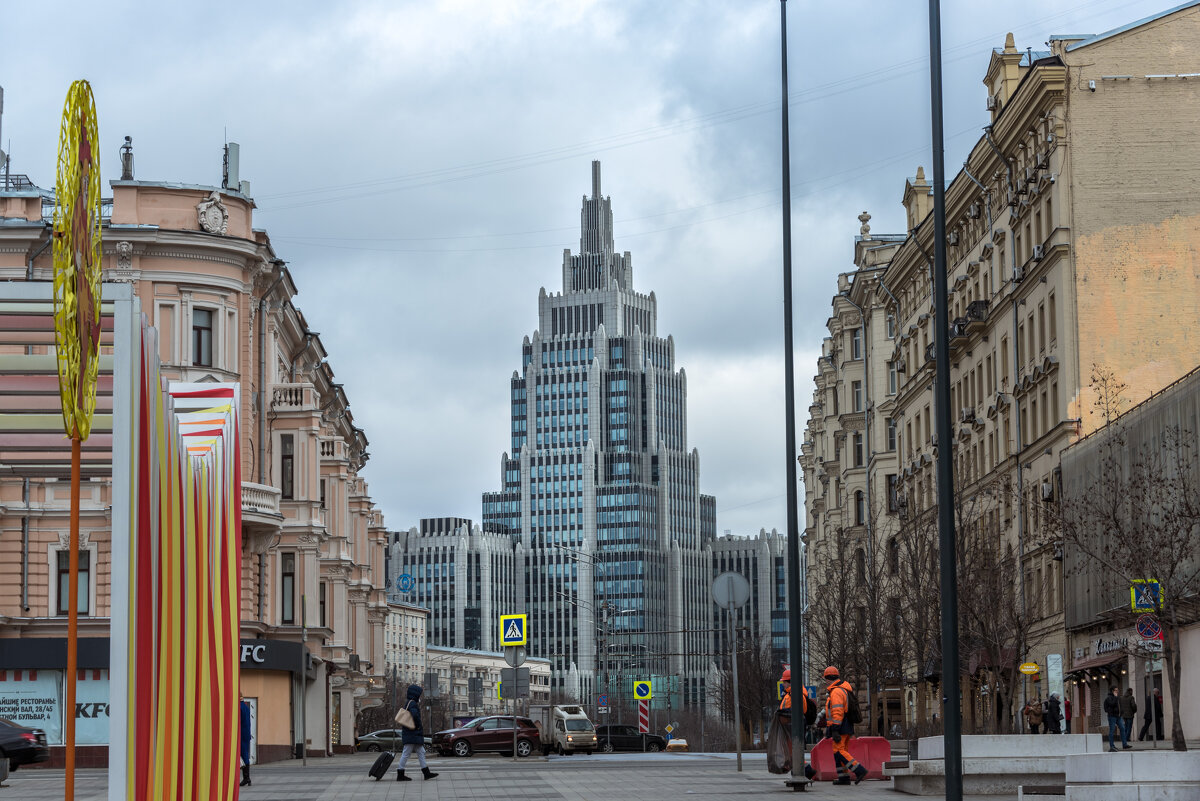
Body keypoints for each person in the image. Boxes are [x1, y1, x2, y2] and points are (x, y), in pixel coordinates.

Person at [822, 666, 868, 786]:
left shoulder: (836, 691)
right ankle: (844, 778)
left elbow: (837, 711)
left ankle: (859, 770)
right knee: (841, 752)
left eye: (825, 679)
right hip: (846, 725)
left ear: (828, 679)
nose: (825, 682)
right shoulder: (843, 689)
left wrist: (835, 730)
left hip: (840, 726)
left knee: (839, 751)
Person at [395, 685, 438, 781]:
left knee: (421, 752)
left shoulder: (408, 703)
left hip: (411, 732)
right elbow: (415, 715)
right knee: (406, 753)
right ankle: (400, 774)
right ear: (416, 694)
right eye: (419, 694)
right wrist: (418, 725)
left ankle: (426, 773)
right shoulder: (413, 704)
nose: (420, 696)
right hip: (413, 732)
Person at [239, 693, 253, 787]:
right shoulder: (246, 707)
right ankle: (246, 778)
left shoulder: (239, 708)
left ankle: (246, 778)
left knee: (242, 756)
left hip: (240, 734)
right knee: (245, 755)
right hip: (246, 734)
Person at [1103, 686, 1122, 752]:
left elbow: (1119, 705)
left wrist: (1121, 712)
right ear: (1112, 691)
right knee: (1112, 730)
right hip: (1112, 716)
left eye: (1117, 690)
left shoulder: (1117, 697)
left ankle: (1125, 744)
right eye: (1115, 690)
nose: (1117, 691)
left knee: (1122, 728)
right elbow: (1112, 704)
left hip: (1118, 716)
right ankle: (1112, 746)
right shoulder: (1109, 698)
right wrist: (1115, 697)